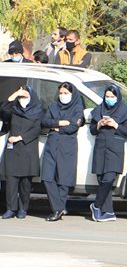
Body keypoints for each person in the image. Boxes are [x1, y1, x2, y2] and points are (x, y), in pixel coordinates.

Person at [40, 83, 85, 221]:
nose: (63, 96)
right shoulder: (53, 106)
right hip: (52, 143)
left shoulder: (77, 108)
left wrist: (58, 126)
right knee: (47, 177)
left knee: (64, 179)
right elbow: (45, 121)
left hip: (67, 145)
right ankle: (59, 208)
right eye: (61, 93)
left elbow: (73, 127)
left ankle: (57, 210)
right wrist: (60, 123)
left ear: (72, 94)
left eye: (66, 93)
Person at [89, 85, 127, 222]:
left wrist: (115, 125)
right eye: (107, 96)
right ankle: (107, 211)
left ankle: (96, 205)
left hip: (115, 148)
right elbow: (92, 130)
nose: (109, 99)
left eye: (112, 97)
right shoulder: (100, 108)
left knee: (109, 179)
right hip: (101, 147)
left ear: (118, 97)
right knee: (102, 179)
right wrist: (99, 124)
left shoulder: (124, 110)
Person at [1, 86, 44, 219]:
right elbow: (3, 109)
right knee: (11, 181)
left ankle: (22, 208)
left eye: (24, 97)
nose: (22, 100)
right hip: (13, 151)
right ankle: (10, 208)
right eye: (20, 97)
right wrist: (14, 95)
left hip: (28, 150)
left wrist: (20, 138)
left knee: (26, 183)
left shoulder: (37, 111)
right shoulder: (14, 110)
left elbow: (37, 129)